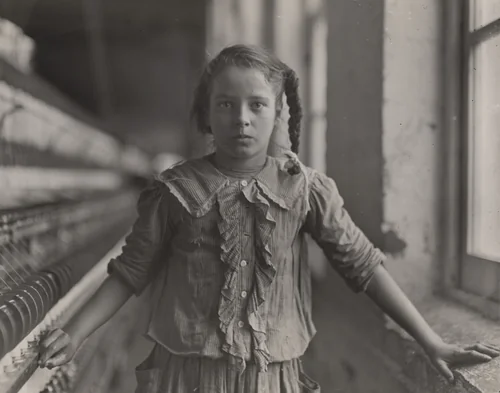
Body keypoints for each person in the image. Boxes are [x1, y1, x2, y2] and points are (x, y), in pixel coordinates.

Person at [38, 44, 499, 392]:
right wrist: (75, 334)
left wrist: (430, 340)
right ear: (206, 114)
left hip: (271, 376)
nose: (241, 119)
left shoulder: (305, 189)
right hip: (186, 373)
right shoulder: (173, 191)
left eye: (257, 105)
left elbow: (364, 266)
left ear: (278, 113)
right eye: (226, 104)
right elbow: (129, 272)